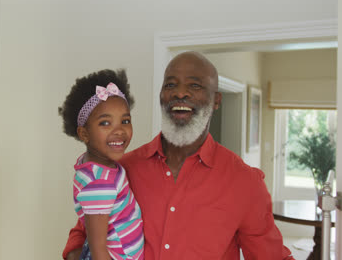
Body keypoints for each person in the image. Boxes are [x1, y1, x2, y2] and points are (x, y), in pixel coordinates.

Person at [62, 52, 294, 260]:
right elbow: (86, 229)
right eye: (170, 85)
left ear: (216, 101)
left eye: (194, 86)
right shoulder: (122, 168)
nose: (180, 93)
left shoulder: (245, 182)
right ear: (161, 95)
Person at [59, 69, 145, 260]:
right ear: (84, 134)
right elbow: (98, 250)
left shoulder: (94, 164)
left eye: (125, 120)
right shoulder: (100, 183)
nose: (119, 130)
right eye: (105, 123)